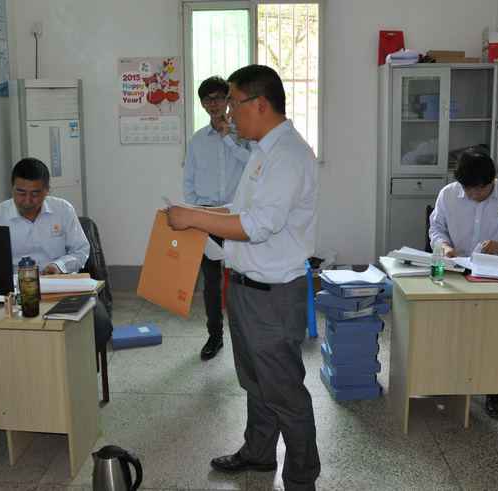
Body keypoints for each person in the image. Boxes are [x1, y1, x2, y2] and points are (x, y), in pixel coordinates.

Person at [167, 65, 320, 491]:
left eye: (234, 103)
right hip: (246, 288)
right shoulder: (260, 151)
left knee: (285, 392)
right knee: (255, 382)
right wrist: (190, 214)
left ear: (260, 104)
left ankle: (302, 479)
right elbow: (236, 212)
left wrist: (193, 218)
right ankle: (258, 452)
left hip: (274, 295)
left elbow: (257, 226)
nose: (229, 113)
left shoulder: (288, 155)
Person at [429, 149, 498, 417]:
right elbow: (436, 228)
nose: (474, 195)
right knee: (454, 328)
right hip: (459, 270)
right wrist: (444, 246)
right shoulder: (448, 195)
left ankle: (494, 387)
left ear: (492, 180)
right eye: (468, 190)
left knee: (496, 333)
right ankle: (450, 379)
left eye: (480, 189)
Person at [0, 158, 113, 351]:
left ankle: (78, 366)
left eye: (35, 194)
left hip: (59, 286)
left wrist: (58, 266)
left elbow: (81, 249)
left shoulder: (63, 210)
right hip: (14, 291)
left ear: (47, 190)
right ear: (12, 188)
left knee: (99, 325)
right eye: (20, 192)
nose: (27, 201)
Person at [183, 76, 250, 361]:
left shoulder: (243, 134)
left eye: (219, 98)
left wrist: (228, 138)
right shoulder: (197, 140)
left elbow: (253, 165)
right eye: (207, 99)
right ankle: (215, 335)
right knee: (211, 282)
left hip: (237, 216)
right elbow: (189, 181)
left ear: (228, 101)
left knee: (242, 277)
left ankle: (246, 335)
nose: (213, 104)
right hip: (207, 217)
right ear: (202, 104)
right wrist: (195, 214)